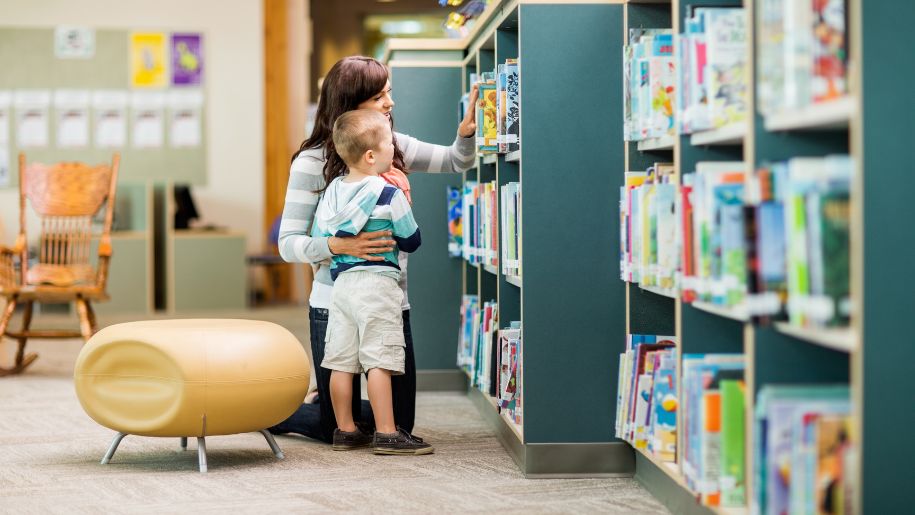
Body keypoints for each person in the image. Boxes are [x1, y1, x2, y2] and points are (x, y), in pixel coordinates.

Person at [270, 56, 477, 443]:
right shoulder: (311, 162)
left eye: (389, 93)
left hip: (388, 301)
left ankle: (324, 402)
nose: (390, 103)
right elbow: (287, 244)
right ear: (351, 103)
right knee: (337, 425)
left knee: (398, 424)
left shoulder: (390, 147)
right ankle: (280, 413)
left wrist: (465, 134)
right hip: (333, 305)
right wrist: (338, 245)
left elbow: (456, 161)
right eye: (380, 96)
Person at [314, 109, 431, 454]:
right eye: (389, 145)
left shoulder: (332, 193)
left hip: (342, 287)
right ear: (370, 156)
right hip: (378, 284)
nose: (393, 151)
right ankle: (387, 432)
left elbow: (322, 237)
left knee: (341, 360)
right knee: (379, 358)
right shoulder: (387, 193)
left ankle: (346, 429)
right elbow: (412, 239)